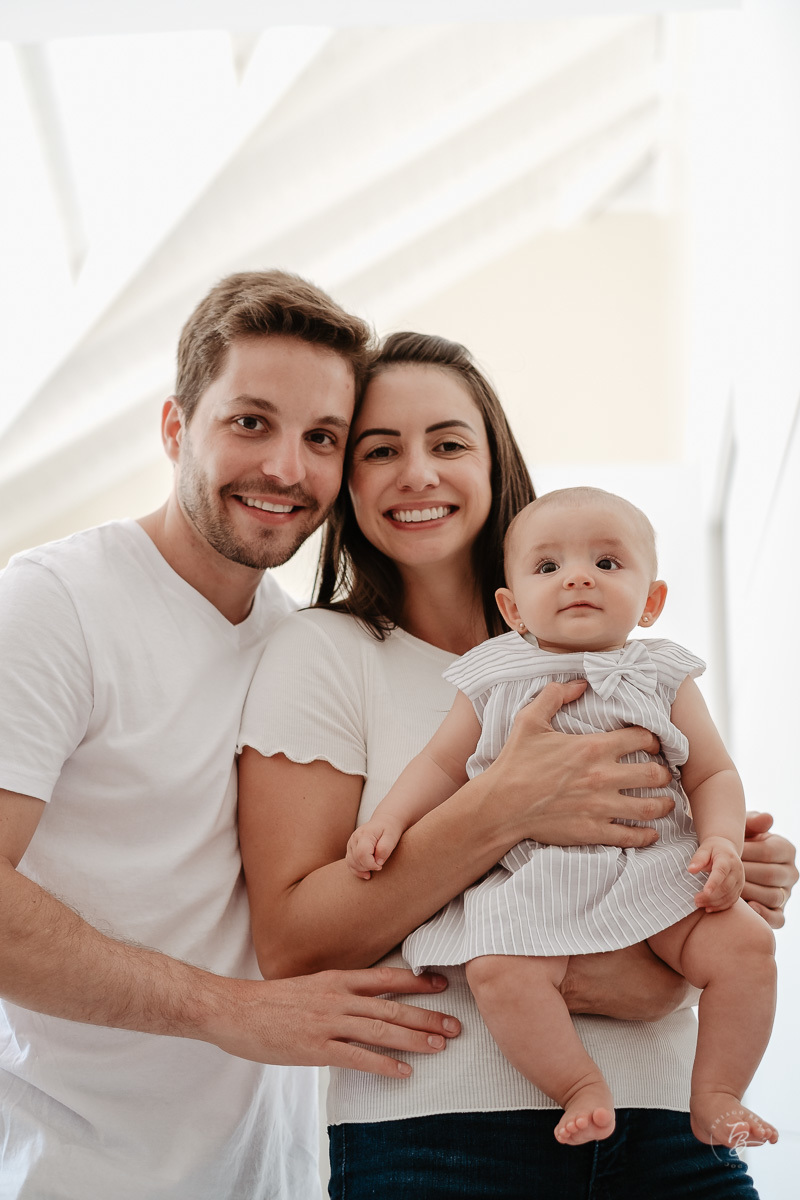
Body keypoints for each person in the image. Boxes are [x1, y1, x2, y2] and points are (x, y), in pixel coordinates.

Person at [237, 331, 796, 1199]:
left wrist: (733, 865)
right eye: (380, 450)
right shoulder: (325, 653)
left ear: (496, 464)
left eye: (450, 443)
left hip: (674, 1127)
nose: (418, 473)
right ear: (347, 480)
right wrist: (508, 805)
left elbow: (689, 843)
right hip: (441, 1141)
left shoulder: (626, 660)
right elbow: (295, 948)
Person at [0, 273, 470, 1200]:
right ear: (177, 427)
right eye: (250, 422)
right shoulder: (52, 606)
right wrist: (232, 1012)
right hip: (77, 1174)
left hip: (276, 1176)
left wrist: (689, 842)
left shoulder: (301, 645)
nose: (288, 470)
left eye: (322, 438)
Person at [346, 485, 777, 1149]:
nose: (578, 576)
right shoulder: (493, 674)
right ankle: (577, 1084)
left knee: (748, 946)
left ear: (652, 600)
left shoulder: (664, 675)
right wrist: (387, 822)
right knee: (499, 972)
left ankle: (717, 1093)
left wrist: (721, 840)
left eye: (607, 563)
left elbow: (713, 771)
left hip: (657, 868)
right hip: (535, 878)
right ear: (513, 607)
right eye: (549, 567)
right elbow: (438, 767)